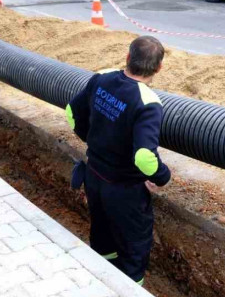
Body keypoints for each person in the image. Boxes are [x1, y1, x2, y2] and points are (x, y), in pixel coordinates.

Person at [65, 36, 172, 286]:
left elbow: (72, 113)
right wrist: (163, 177)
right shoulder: (148, 102)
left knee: (101, 233)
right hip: (124, 191)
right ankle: (129, 288)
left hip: (93, 175)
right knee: (134, 247)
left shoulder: (101, 78)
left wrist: (96, 141)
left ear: (127, 58)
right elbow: (144, 156)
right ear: (158, 68)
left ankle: (100, 280)